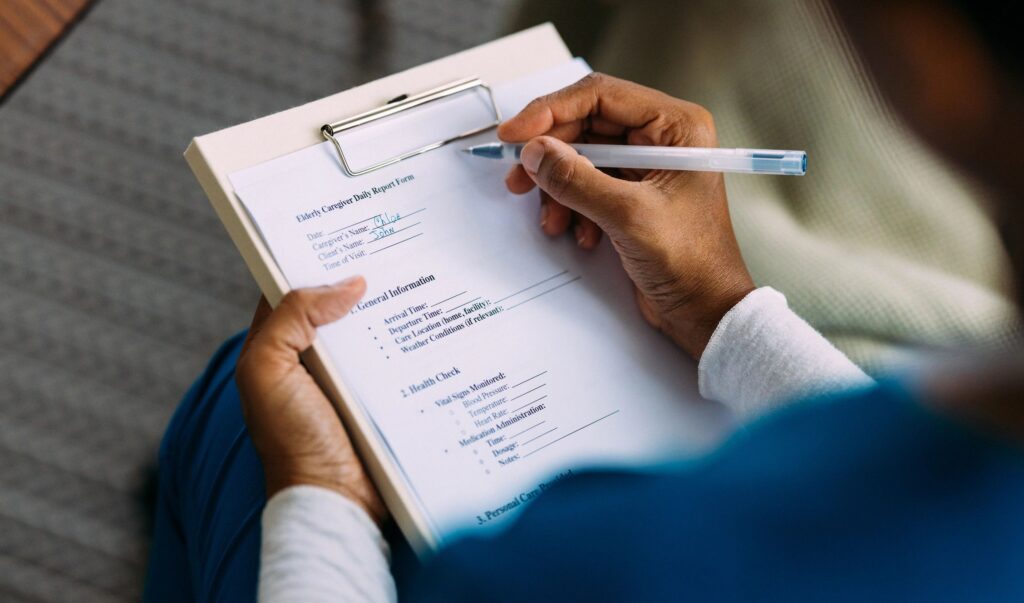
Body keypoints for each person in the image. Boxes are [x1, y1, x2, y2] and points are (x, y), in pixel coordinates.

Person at [144, 0, 1023, 600]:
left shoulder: (574, 562)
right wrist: (722, 310)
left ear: (938, 64)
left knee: (246, 401)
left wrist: (322, 492)